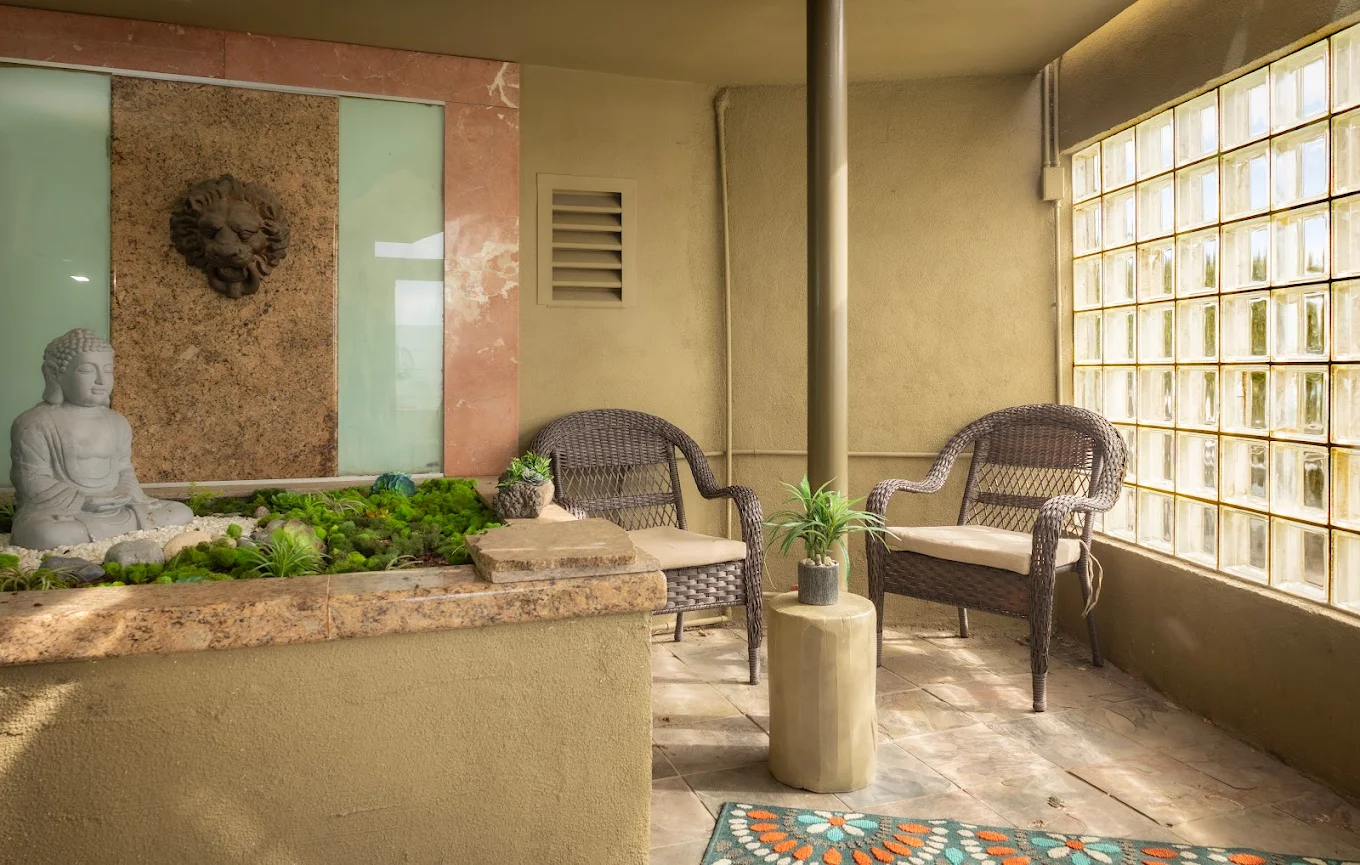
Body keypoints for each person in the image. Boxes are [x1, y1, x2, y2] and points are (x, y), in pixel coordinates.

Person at [9, 329, 192, 549]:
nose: (100, 380)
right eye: (87, 370)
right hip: (67, 511)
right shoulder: (34, 423)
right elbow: (31, 478)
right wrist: (84, 500)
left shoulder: (117, 422)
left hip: (119, 506)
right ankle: (113, 532)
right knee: (46, 534)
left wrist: (125, 493)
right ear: (54, 373)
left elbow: (124, 469)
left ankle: (109, 531)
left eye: (107, 370)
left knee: (181, 512)